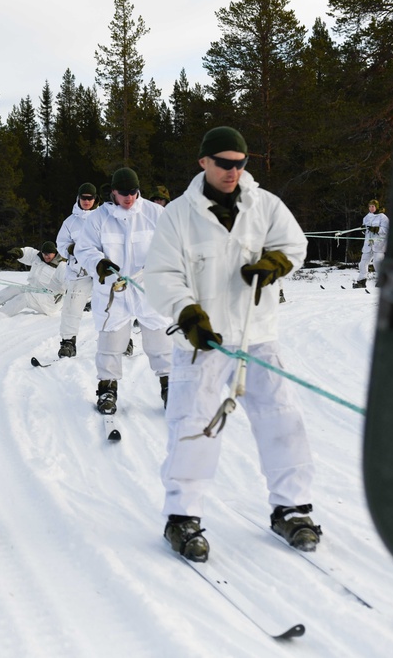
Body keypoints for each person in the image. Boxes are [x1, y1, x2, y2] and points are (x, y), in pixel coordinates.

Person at [144, 126, 319, 563]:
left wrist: (274, 263)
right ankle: (182, 517)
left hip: (257, 335)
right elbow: (162, 275)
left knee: (282, 418)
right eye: (224, 163)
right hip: (204, 341)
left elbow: (293, 244)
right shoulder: (178, 215)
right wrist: (187, 313)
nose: (233, 171)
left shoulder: (265, 204)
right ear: (204, 162)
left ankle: (291, 509)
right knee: (194, 424)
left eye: (240, 163)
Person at [75, 167, 174, 414]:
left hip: (148, 287)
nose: (129, 197)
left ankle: (171, 387)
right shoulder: (99, 218)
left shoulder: (155, 213)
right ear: (113, 193)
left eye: (133, 192)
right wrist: (98, 262)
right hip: (114, 290)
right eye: (123, 193)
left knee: (160, 339)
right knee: (111, 340)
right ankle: (107, 388)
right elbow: (84, 249)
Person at [54, 183, 98, 357]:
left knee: (113, 306)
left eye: (90, 198)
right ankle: (68, 342)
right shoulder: (70, 222)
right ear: (78, 198)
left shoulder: (104, 218)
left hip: (101, 270)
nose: (86, 201)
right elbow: (61, 244)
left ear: (95, 199)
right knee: (71, 307)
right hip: (79, 271)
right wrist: (70, 249)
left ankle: (123, 341)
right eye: (83, 198)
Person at [0, 241, 66, 316]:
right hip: (34, 289)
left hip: (50, 301)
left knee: (25, 298)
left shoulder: (61, 266)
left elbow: (69, 281)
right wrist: (20, 252)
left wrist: (68, 292)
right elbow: (29, 253)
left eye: (48, 254)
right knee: (13, 288)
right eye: (44, 254)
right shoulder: (39, 258)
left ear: (54, 253)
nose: (46, 256)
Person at [353, 199, 389, 288]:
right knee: (363, 263)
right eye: (369, 206)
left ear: (376, 207)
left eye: (372, 206)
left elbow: (386, 230)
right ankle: (361, 281)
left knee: (377, 262)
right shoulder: (366, 217)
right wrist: (362, 230)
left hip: (379, 244)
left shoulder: (383, 217)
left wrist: (377, 229)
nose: (371, 208)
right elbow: (365, 232)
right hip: (368, 244)